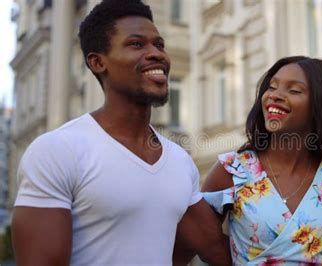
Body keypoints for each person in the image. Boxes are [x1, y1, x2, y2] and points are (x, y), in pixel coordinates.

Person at [11, 0, 230, 265]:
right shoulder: (57, 150)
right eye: (137, 44)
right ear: (97, 62)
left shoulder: (179, 160)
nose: (157, 54)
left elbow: (216, 250)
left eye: (159, 45)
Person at [202, 56, 322, 265]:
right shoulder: (233, 171)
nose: (275, 96)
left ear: (321, 105)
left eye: (294, 90)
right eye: (271, 87)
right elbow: (199, 241)